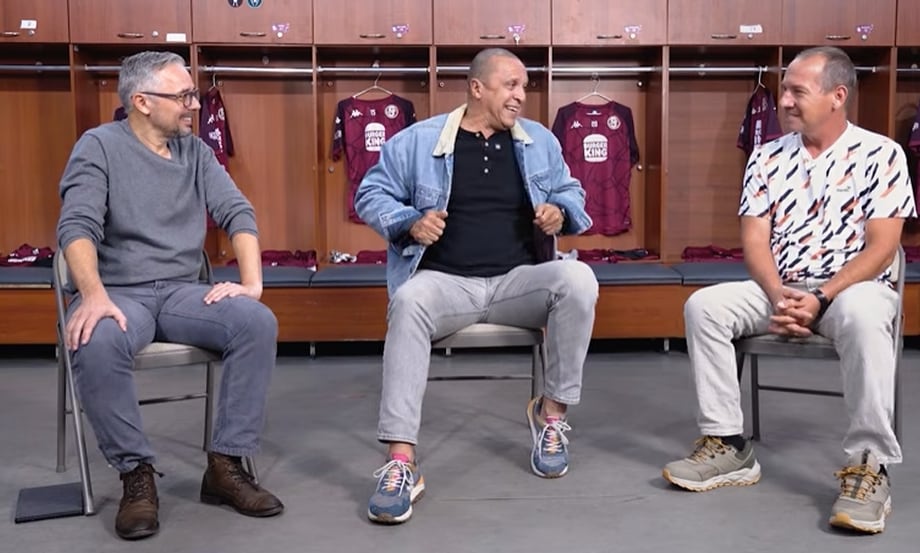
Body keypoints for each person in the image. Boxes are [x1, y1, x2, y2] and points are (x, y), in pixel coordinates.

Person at [662, 47, 916, 534]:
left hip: (853, 290)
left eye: (797, 91)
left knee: (865, 315)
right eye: (784, 90)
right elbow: (754, 239)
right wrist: (780, 295)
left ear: (837, 97)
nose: (783, 101)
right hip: (781, 289)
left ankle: (869, 466)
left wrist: (822, 295)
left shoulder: (883, 154)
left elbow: (884, 246)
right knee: (705, 307)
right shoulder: (766, 157)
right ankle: (729, 445)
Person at [354, 48, 599, 524]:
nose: (520, 97)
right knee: (408, 301)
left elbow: (573, 192)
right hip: (447, 284)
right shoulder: (418, 141)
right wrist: (409, 222)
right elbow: (370, 192)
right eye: (510, 86)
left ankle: (552, 417)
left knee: (578, 278)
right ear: (477, 88)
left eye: (523, 87)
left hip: (516, 283)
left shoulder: (540, 142)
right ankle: (401, 461)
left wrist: (561, 211)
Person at [56, 51, 283, 540]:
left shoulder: (195, 153)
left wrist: (252, 284)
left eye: (192, 94)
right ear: (141, 101)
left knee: (256, 322)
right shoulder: (98, 147)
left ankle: (225, 464)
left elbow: (237, 213)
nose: (193, 105)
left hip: (183, 293)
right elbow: (76, 226)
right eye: (182, 96)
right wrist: (93, 295)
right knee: (94, 340)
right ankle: (136, 474)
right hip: (121, 294)